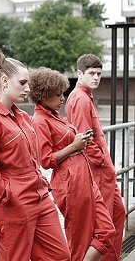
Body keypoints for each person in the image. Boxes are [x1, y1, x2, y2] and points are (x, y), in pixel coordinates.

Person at [0, 49, 71, 261]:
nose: (28, 88)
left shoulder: (23, 117)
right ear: (5, 80)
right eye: (23, 83)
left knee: (59, 255)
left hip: (40, 196)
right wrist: (9, 194)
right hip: (14, 203)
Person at [29, 67, 115, 260]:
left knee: (106, 231)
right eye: (58, 94)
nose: (62, 98)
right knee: (80, 240)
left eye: (63, 93)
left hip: (84, 176)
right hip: (70, 182)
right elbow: (46, 160)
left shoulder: (54, 115)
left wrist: (78, 142)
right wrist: (74, 145)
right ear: (43, 95)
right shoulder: (40, 120)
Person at [65, 53, 125, 261]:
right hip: (97, 171)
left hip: (102, 170)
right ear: (79, 73)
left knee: (117, 214)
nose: (96, 78)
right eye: (91, 73)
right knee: (104, 224)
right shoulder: (80, 99)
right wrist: (103, 164)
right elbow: (86, 140)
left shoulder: (83, 96)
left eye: (99, 74)